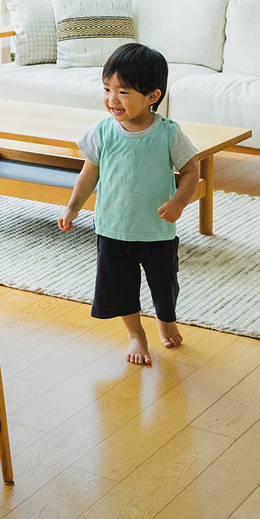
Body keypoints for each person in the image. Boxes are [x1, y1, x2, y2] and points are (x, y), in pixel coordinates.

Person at [58, 42, 200, 367]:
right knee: (120, 289)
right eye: (107, 89)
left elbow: (192, 170)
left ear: (152, 96)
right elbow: (87, 175)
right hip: (113, 229)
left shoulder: (168, 135)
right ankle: (136, 333)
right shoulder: (102, 132)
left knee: (165, 286)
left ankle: (166, 318)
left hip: (157, 232)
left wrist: (179, 201)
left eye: (123, 92)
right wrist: (72, 207)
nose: (111, 99)